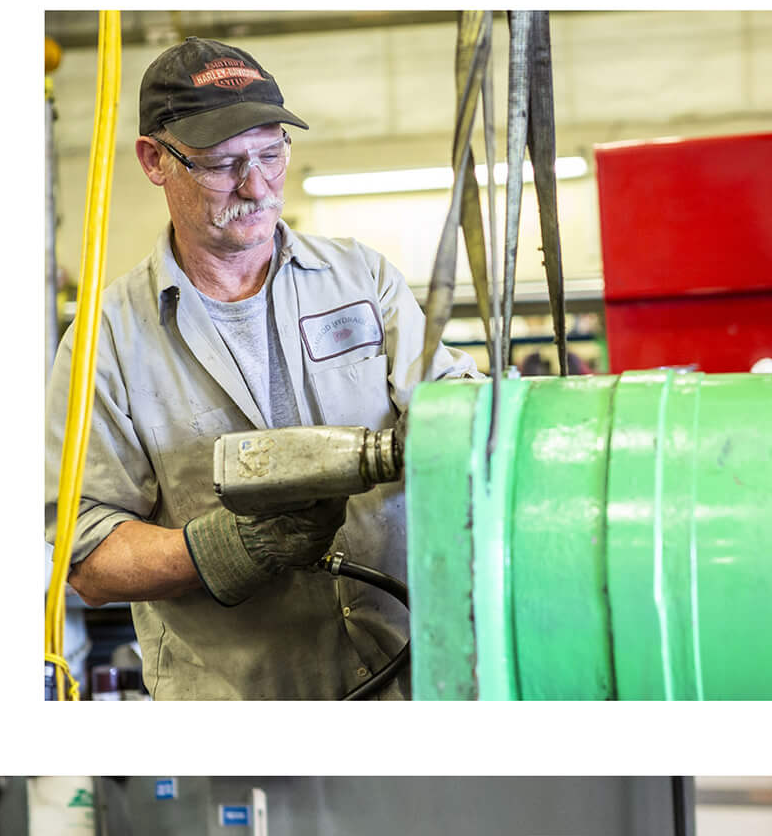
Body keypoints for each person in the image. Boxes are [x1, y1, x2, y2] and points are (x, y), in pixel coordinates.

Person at [44, 40, 475, 701]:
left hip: (413, 674)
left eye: (270, 154)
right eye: (222, 164)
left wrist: (468, 415)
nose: (254, 186)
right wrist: (236, 548)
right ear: (152, 159)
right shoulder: (105, 341)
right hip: (240, 705)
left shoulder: (361, 279)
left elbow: (446, 401)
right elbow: (88, 559)